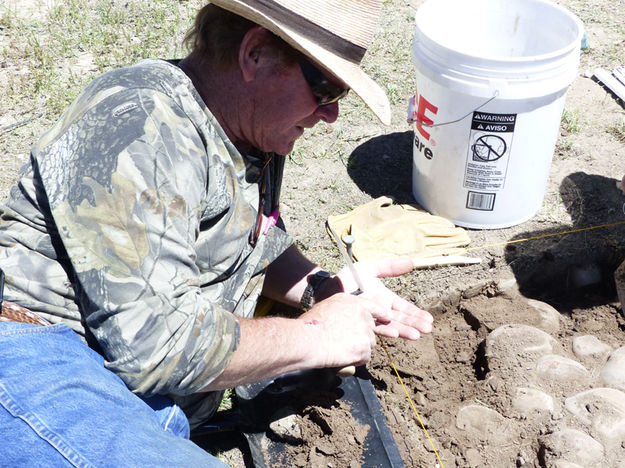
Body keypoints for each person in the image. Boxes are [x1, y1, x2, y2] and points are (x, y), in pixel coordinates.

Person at [0, 0, 433, 465]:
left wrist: (322, 288)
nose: (331, 115)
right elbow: (156, 346)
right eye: (326, 88)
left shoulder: (249, 129)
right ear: (256, 54)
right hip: (38, 359)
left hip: (139, 396)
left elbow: (248, 244)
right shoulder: (138, 127)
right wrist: (318, 334)